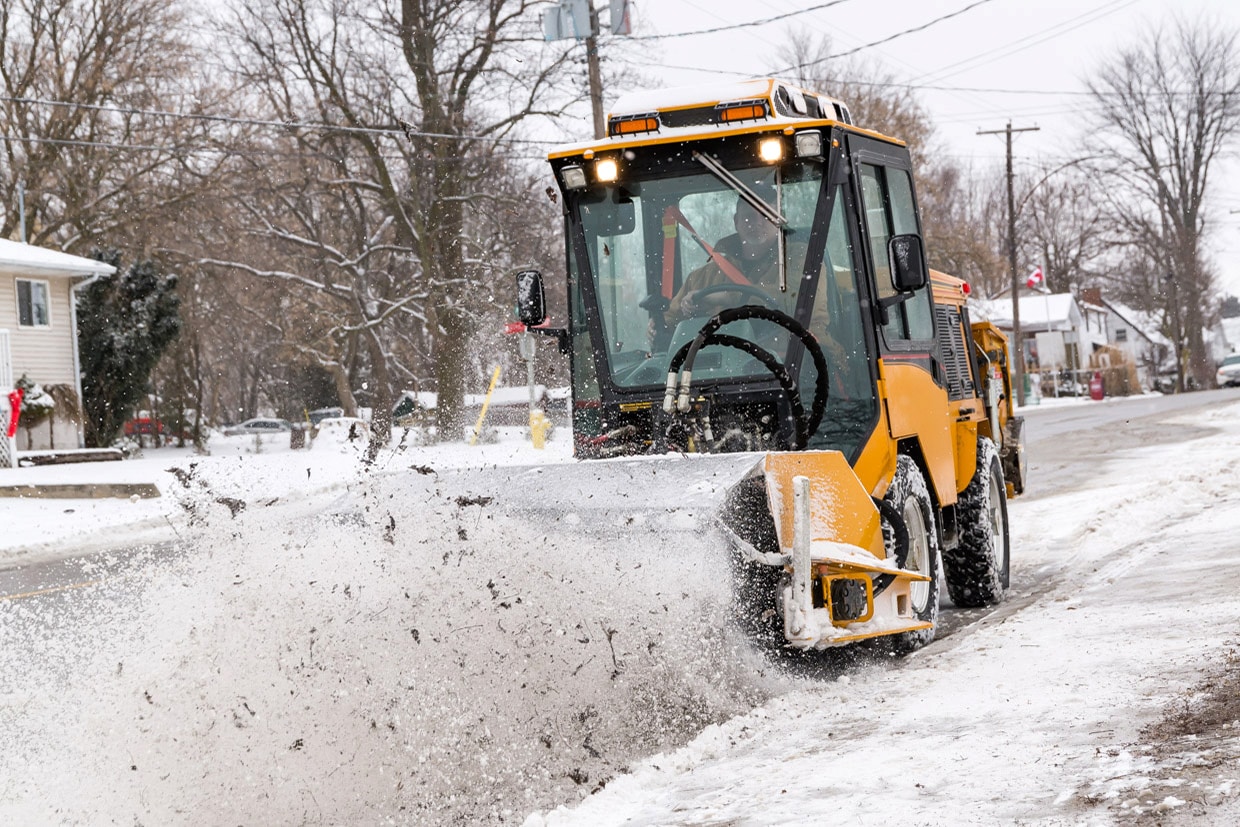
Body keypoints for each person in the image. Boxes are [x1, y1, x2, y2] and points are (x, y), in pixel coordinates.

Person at [667, 192, 793, 320]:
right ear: (736, 221)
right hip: (718, 340)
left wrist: (727, 297)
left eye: (766, 216)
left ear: (779, 220)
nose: (758, 222)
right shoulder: (703, 278)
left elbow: (795, 298)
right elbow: (673, 319)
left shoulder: (799, 258)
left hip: (791, 340)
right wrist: (660, 325)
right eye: (749, 216)